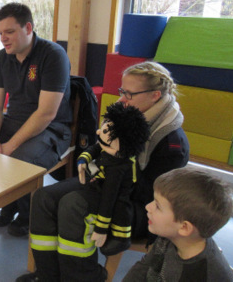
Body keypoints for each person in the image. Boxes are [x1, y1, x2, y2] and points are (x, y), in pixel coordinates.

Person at [18, 62, 190, 281]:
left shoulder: (171, 143)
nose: (121, 100)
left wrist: (118, 165)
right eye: (121, 92)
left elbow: (149, 195)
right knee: (44, 197)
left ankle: (84, 277)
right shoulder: (129, 116)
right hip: (105, 181)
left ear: (155, 95)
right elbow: (100, 151)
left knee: (72, 206)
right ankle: (48, 275)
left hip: (135, 205)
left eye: (129, 94)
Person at [0, 2, 72, 237]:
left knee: (19, 161)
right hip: (12, 121)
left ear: (28, 28)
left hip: (51, 129)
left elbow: (46, 113)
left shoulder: (53, 55)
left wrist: (9, 146)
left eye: (10, 32)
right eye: (0, 34)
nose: (3, 39)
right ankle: (10, 202)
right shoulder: (2, 58)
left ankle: (25, 213)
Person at [123, 166, 233, 281]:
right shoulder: (171, 235)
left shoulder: (199, 275)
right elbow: (143, 269)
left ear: (184, 227)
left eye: (158, 206)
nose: (148, 207)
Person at [75, 102, 149, 256]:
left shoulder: (118, 167)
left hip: (120, 189)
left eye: (106, 130)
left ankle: (121, 237)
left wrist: (100, 229)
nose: (99, 131)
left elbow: (108, 199)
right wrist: (83, 159)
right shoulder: (108, 148)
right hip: (103, 180)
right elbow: (96, 148)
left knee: (120, 207)